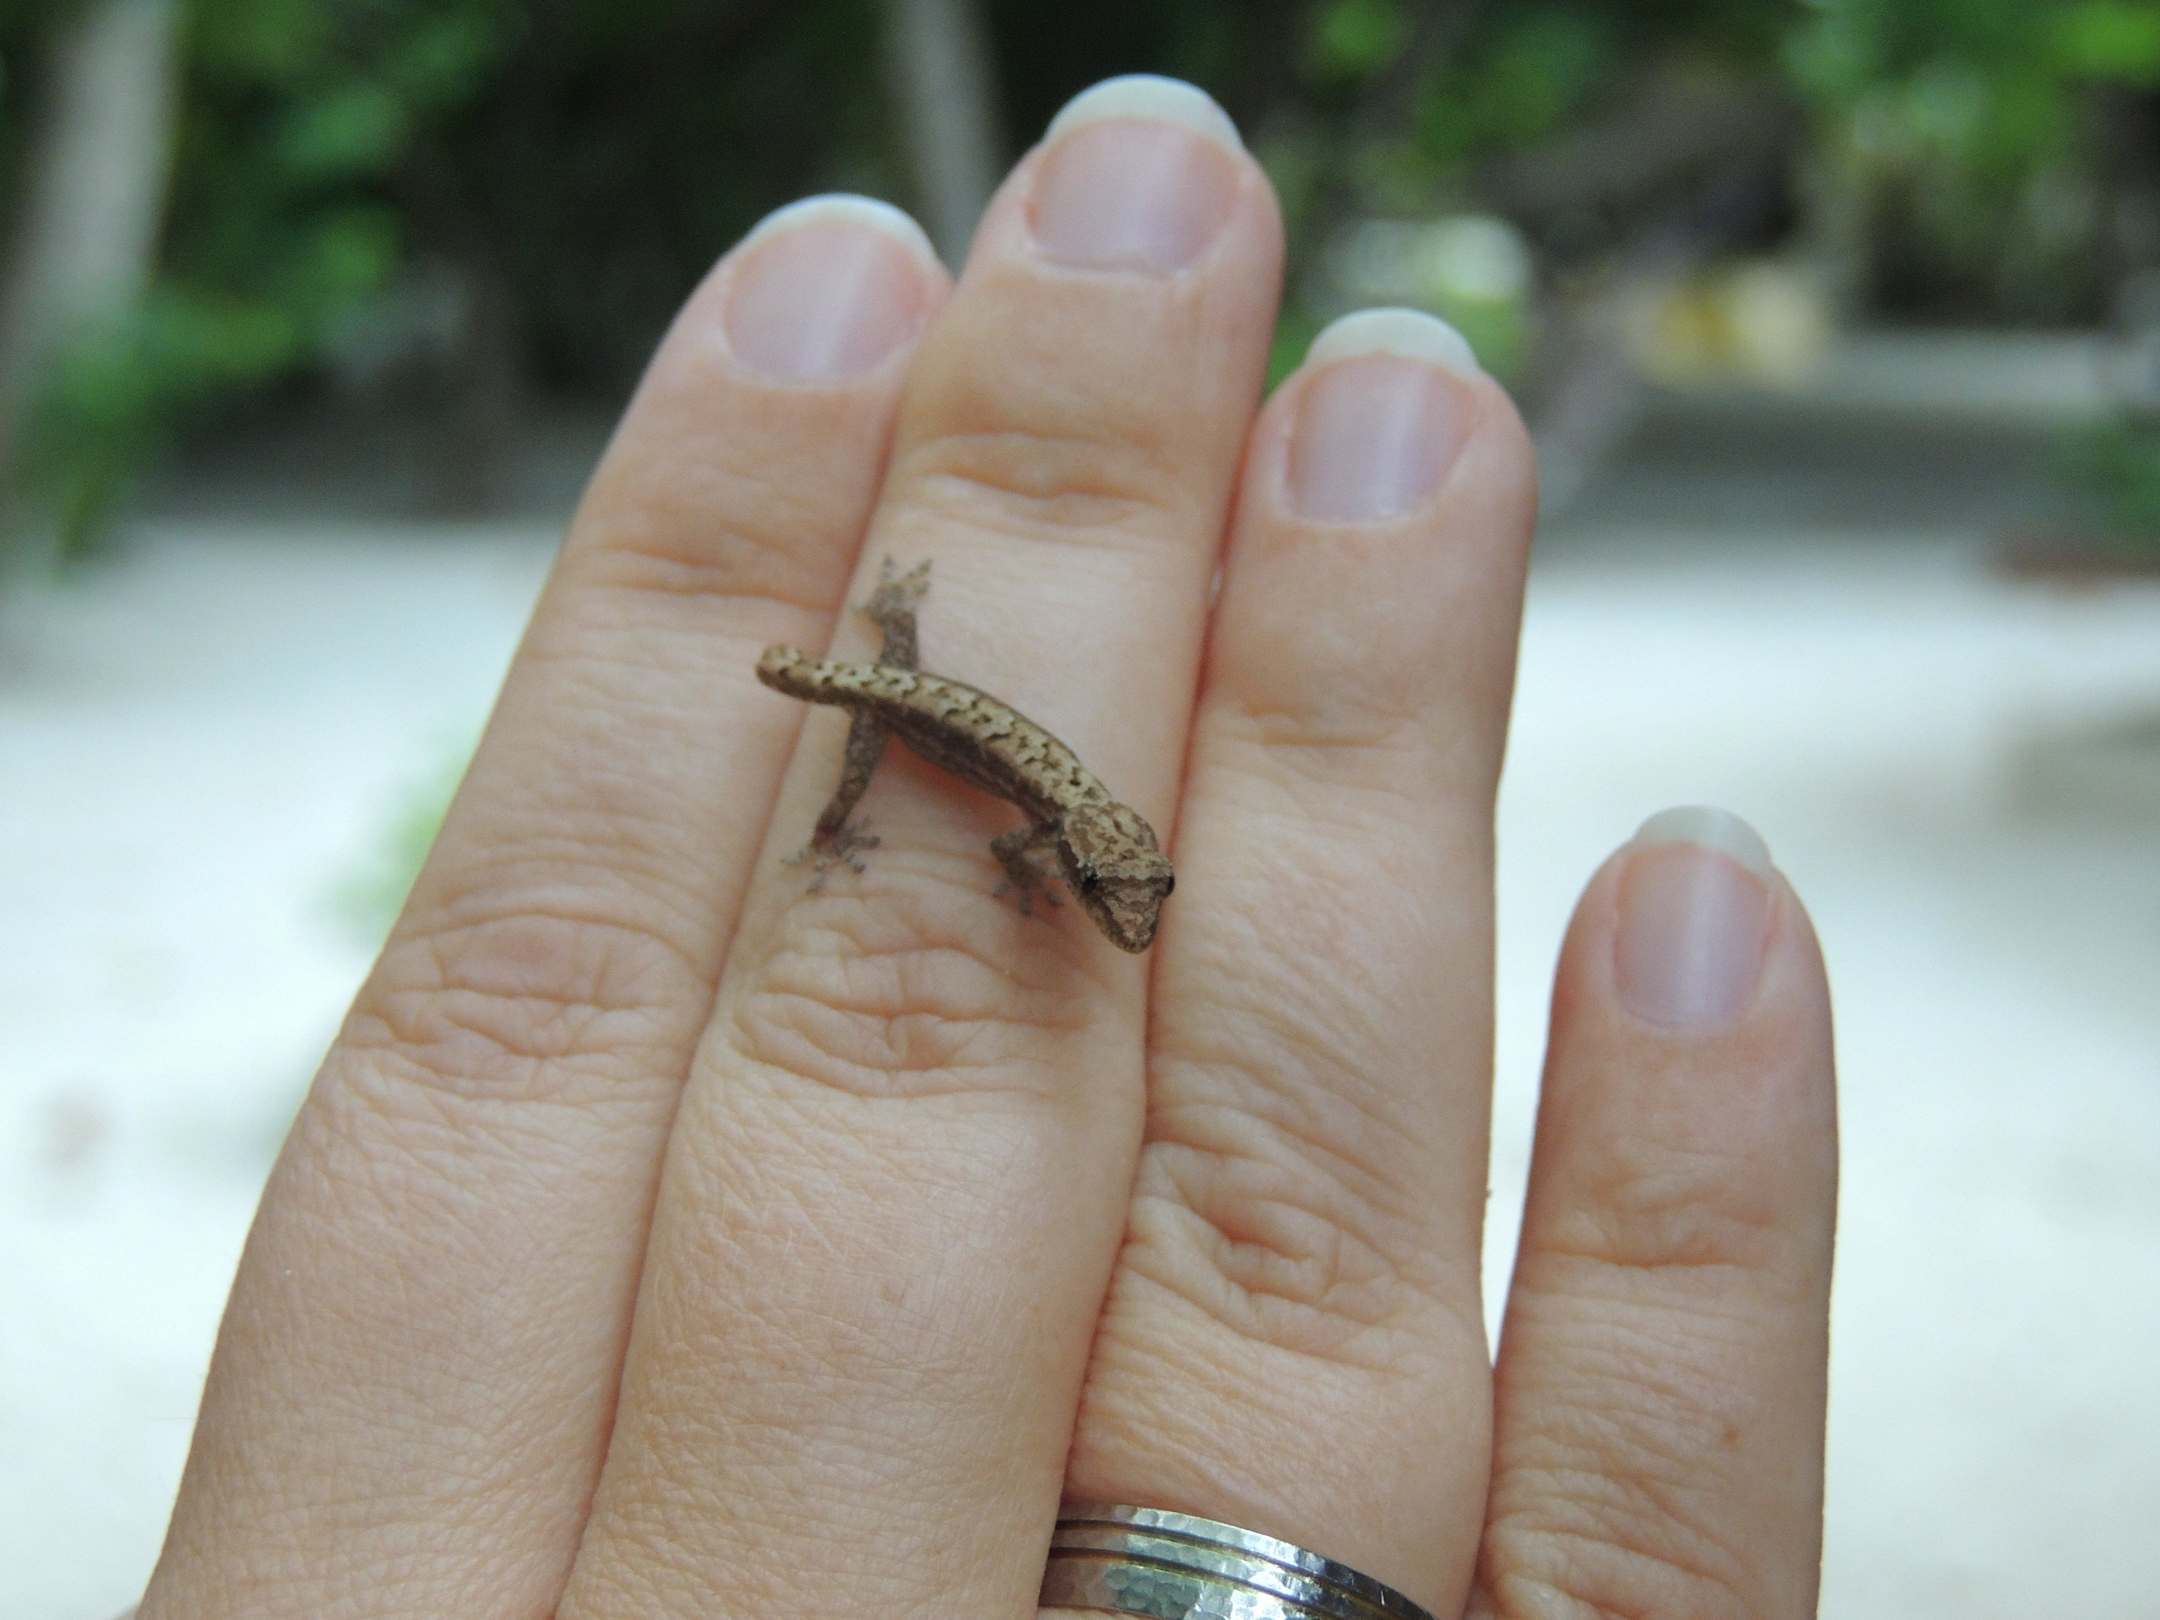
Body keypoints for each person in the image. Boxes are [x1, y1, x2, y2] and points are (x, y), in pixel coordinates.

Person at [132, 76, 1836, 1620]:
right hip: (894, 698)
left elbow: (1070, 840)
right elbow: (1013, 829)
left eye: (1119, 893)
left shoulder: (1084, 831)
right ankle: (856, 738)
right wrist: (919, 847)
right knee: (865, 751)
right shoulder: (1043, 831)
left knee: (887, 703)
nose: (1113, 908)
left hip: (917, 682)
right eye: (1113, 894)